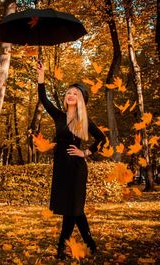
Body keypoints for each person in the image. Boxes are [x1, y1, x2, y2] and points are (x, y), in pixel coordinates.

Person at [36, 62, 106, 260]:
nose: (70, 95)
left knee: (74, 209)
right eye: (68, 93)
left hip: (76, 168)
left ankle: (62, 247)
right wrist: (41, 76)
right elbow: (43, 98)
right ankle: (88, 244)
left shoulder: (84, 121)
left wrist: (85, 153)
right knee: (70, 209)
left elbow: (102, 139)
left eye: (75, 93)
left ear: (81, 98)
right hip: (60, 168)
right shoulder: (58, 115)